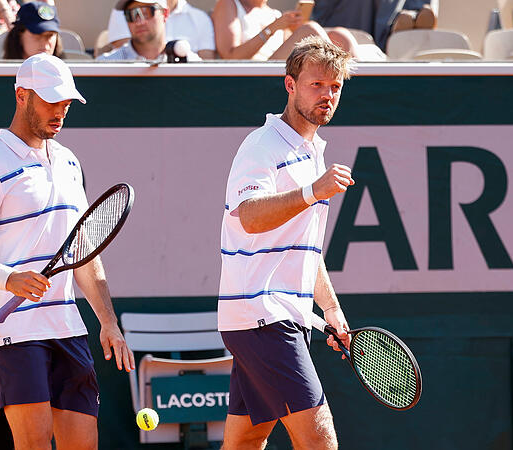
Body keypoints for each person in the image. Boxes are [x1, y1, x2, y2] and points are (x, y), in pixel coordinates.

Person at [0, 53, 134, 450]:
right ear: (21, 95)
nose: (60, 111)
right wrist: (8, 277)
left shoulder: (67, 161)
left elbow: (83, 249)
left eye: (66, 103)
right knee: (33, 444)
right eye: (50, 101)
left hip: (67, 328)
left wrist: (108, 321)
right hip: (13, 331)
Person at [217, 36, 354, 450]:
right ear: (290, 85)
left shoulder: (311, 151)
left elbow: (304, 246)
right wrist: (312, 192)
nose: (327, 95)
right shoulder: (262, 145)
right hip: (262, 315)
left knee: (246, 439)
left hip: (281, 316)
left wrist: (329, 308)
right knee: (320, 440)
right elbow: (250, 216)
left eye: (335, 87)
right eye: (317, 85)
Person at [211, 0, 363, 61]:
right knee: (310, 29)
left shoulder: (275, 14)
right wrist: (273, 28)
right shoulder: (229, 4)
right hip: (253, 76)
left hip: (283, 71)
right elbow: (230, 57)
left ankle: (363, 84)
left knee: (340, 35)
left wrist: (294, 30)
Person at [103, 0, 215, 59]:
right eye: (131, 14)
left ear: (165, 14)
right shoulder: (105, 65)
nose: (140, 22)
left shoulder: (190, 62)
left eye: (147, 12)